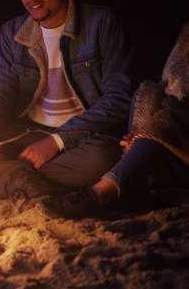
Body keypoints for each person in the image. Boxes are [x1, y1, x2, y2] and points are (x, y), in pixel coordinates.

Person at [0, 0, 134, 203]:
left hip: (85, 137)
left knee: (103, 159)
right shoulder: (13, 32)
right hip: (28, 133)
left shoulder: (101, 22)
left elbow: (119, 96)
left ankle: (12, 180)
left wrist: (57, 141)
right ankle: (30, 183)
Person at [38, 21, 189, 219]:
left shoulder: (99, 21)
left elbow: (119, 98)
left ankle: (100, 194)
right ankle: (134, 177)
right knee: (148, 95)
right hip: (175, 119)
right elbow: (175, 82)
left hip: (179, 125)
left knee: (167, 119)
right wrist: (140, 131)